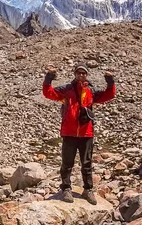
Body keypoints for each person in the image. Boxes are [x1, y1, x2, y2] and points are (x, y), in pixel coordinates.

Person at [42, 63, 116, 205]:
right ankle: (66, 188)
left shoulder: (91, 91)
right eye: (79, 73)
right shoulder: (67, 90)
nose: (81, 75)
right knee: (67, 163)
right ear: (75, 74)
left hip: (86, 133)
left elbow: (109, 94)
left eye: (84, 73)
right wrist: (49, 77)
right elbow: (48, 93)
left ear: (86, 75)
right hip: (69, 133)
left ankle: (88, 189)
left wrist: (110, 81)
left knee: (86, 163)